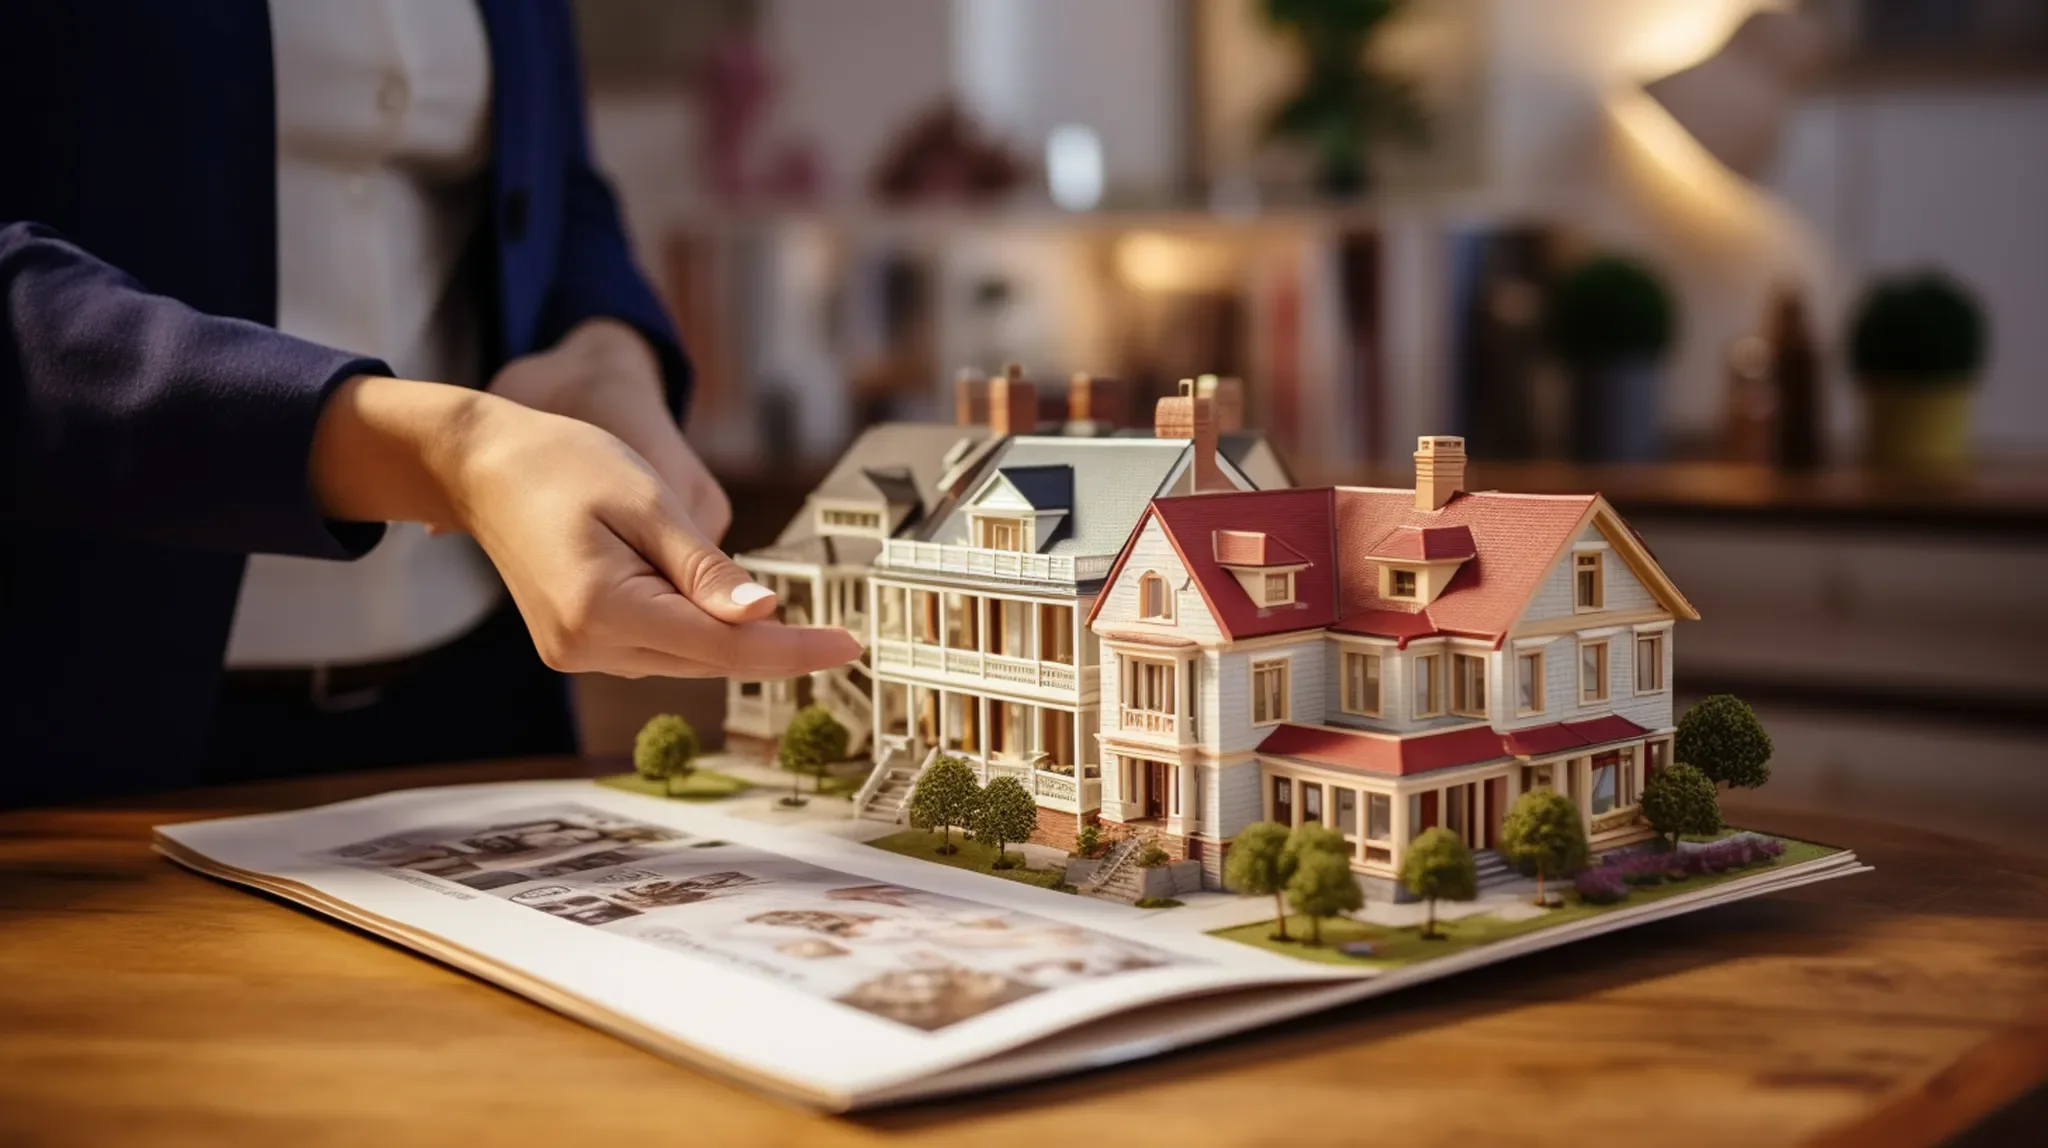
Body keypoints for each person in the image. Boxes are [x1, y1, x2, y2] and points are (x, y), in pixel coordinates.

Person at [0, 1, 860, 807]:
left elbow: (560, 186)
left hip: (481, 695)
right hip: (94, 712)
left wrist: (604, 358)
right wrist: (446, 452)